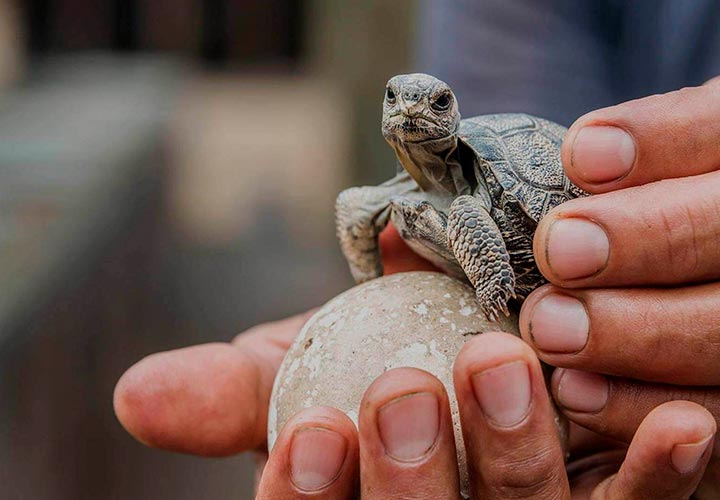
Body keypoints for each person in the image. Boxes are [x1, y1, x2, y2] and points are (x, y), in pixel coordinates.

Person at [114, 1, 720, 497]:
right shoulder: (394, 199)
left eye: (435, 104)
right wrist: (373, 299)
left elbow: (481, 214)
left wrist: (496, 311)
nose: (412, 112)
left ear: (451, 116)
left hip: (575, 276)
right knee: (364, 202)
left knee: (462, 215)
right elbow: (360, 210)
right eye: (397, 100)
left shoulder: (469, 199)